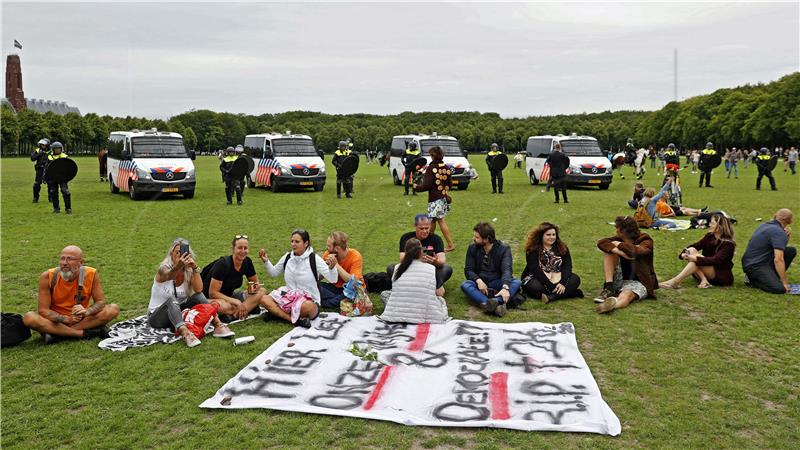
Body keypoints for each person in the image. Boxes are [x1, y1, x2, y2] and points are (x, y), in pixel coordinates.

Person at [23, 245, 120, 344]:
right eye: (62, 259)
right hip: (56, 322)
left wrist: (86, 312)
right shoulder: (48, 276)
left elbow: (100, 302)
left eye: (70, 259)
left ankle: (57, 335)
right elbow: (43, 310)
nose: (64, 263)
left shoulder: (91, 274)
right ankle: (83, 334)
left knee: (113, 309)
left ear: (81, 262)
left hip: (81, 320)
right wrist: (67, 319)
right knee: (29, 318)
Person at [148, 238, 234, 347]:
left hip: (178, 313)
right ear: (171, 254)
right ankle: (186, 333)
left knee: (198, 296)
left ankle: (218, 324)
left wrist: (194, 268)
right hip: (157, 317)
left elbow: (199, 290)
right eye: (177, 252)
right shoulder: (163, 269)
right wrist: (179, 265)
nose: (180, 255)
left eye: (182, 252)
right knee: (171, 301)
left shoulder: (188, 271)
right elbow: (170, 276)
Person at [260, 229, 338, 327]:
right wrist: (266, 262)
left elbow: (333, 279)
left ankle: (277, 314)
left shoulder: (314, 259)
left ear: (306, 243)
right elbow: (273, 273)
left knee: (308, 307)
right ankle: (295, 320)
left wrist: (332, 268)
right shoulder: (288, 257)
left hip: (308, 300)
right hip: (289, 298)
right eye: (292, 241)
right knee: (264, 299)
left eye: (297, 242)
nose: (293, 244)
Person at [594, 216, 658, 313]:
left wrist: (619, 244)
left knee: (627, 295)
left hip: (639, 281)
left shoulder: (645, 239)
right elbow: (601, 242)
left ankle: (613, 304)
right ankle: (609, 287)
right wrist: (620, 252)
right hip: (621, 278)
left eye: (618, 228)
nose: (616, 231)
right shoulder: (619, 238)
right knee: (609, 251)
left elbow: (639, 251)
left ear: (624, 231)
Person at [381, 238, 449, 324]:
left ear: (406, 252)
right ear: (421, 251)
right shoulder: (431, 268)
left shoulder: (397, 268)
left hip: (397, 316)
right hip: (423, 316)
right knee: (440, 300)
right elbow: (440, 292)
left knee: (385, 294)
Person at [460, 222, 521, 317]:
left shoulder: (504, 249)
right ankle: (491, 304)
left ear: (487, 239)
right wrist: (478, 281)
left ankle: (494, 302)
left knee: (516, 282)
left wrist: (505, 287)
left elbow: (507, 270)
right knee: (466, 285)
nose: (474, 239)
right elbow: (468, 270)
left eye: (477, 237)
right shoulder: (472, 248)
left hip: (497, 281)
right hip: (480, 282)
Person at [660, 214, 736, 289]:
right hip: (706, 270)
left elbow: (716, 260)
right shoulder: (710, 236)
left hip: (720, 275)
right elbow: (696, 245)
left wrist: (695, 258)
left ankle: (675, 282)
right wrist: (683, 254)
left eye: (712, 223)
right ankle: (704, 280)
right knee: (691, 250)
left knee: (696, 258)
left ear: (720, 227)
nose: (709, 225)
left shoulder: (728, 244)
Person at [207, 235, 269, 321]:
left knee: (262, 291)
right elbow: (213, 293)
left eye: (245, 248)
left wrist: (255, 288)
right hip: (213, 299)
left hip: (230, 296)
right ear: (233, 249)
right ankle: (248, 308)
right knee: (221, 306)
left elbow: (255, 283)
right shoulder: (223, 264)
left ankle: (233, 315)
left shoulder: (247, 262)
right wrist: (237, 302)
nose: (243, 251)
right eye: (240, 248)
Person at [388, 214, 453, 294]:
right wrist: (418, 259)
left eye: (427, 228)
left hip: (430, 271)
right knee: (391, 268)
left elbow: (442, 260)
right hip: (411, 269)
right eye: (421, 228)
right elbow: (402, 259)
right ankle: (430, 287)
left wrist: (434, 261)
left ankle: (418, 286)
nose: (425, 231)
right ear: (415, 226)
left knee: (447, 269)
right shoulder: (406, 237)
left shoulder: (436, 239)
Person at [521, 222, 583, 303]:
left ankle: (552, 297)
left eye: (554, 234)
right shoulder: (532, 249)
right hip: (537, 277)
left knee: (575, 279)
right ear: (541, 236)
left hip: (558, 276)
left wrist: (562, 283)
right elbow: (535, 269)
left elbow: (567, 266)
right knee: (535, 288)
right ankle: (570, 293)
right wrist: (550, 286)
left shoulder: (562, 247)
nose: (552, 237)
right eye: (548, 235)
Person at [741, 209, 795, 294]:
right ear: (789, 220)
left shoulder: (765, 225)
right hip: (755, 266)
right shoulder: (778, 232)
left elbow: (781, 248)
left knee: (791, 251)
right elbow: (778, 259)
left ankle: (771, 277)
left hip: (753, 261)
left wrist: (787, 236)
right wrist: (785, 283)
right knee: (779, 289)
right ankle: (752, 280)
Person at [415, 146, 456, 252]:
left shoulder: (431, 168)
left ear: (433, 156)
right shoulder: (446, 167)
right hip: (443, 197)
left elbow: (427, 185)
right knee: (433, 220)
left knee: (440, 220)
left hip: (435, 199)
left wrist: (417, 187)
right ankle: (428, 242)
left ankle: (450, 244)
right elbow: (450, 184)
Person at [319, 231, 364, 308]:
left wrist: (336, 265)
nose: (327, 248)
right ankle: (336, 300)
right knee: (314, 285)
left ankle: (328, 301)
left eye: (329, 246)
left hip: (352, 289)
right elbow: (319, 278)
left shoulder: (355, 256)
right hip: (335, 288)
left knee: (350, 294)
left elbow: (353, 282)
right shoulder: (327, 254)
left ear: (337, 248)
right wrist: (326, 267)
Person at [44, 142, 72, 214]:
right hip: (53, 178)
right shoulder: (49, 157)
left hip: (63, 177)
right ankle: (56, 209)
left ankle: (68, 208)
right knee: (53, 192)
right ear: (53, 150)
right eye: (55, 149)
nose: (57, 150)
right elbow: (46, 168)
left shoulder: (65, 157)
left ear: (61, 149)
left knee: (65, 191)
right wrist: (44, 177)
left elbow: (69, 168)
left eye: (58, 149)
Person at [31, 138, 50, 203]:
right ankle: (35, 198)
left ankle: (51, 198)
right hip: (39, 169)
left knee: (51, 184)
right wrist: (40, 154)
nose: (42, 146)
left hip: (49, 170)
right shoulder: (38, 150)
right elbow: (32, 158)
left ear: (47, 145)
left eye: (43, 145)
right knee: (36, 184)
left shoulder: (51, 151)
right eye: (41, 145)